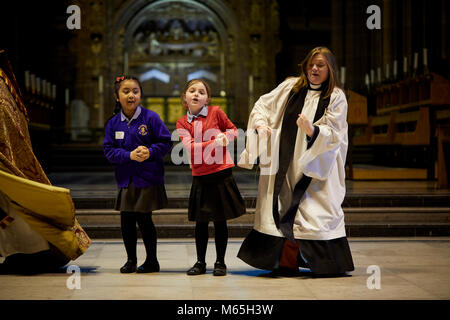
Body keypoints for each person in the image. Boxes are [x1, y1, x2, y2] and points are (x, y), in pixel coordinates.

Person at [237, 47, 354, 276]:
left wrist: (313, 130)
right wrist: (260, 125)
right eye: (311, 64)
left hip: (316, 165)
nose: (314, 69)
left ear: (330, 69)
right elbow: (263, 105)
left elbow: (336, 132)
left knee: (313, 210)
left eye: (320, 65)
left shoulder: (336, 96)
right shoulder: (290, 87)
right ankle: (286, 262)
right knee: (281, 205)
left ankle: (323, 262)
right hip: (285, 162)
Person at [0, 49, 91, 275]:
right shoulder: (4, 83)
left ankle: (33, 251)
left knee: (14, 212)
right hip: (9, 168)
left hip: (6, 168)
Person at [103, 75, 172, 273]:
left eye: (135, 91)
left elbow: (165, 142)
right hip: (126, 179)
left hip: (147, 177)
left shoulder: (151, 118)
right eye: (126, 92)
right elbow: (109, 150)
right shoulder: (114, 123)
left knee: (144, 219)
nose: (131, 95)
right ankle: (131, 260)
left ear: (140, 95)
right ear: (117, 96)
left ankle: (152, 260)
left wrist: (150, 151)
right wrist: (129, 155)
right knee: (126, 220)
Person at [176, 79, 245, 276]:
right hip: (201, 175)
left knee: (220, 221)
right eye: (192, 91)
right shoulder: (182, 122)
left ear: (207, 99)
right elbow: (190, 147)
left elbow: (233, 130)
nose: (196, 94)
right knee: (201, 221)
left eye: (201, 92)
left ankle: (220, 262)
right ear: (185, 97)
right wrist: (216, 141)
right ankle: (200, 262)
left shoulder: (216, 112)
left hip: (221, 172)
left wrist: (227, 137)